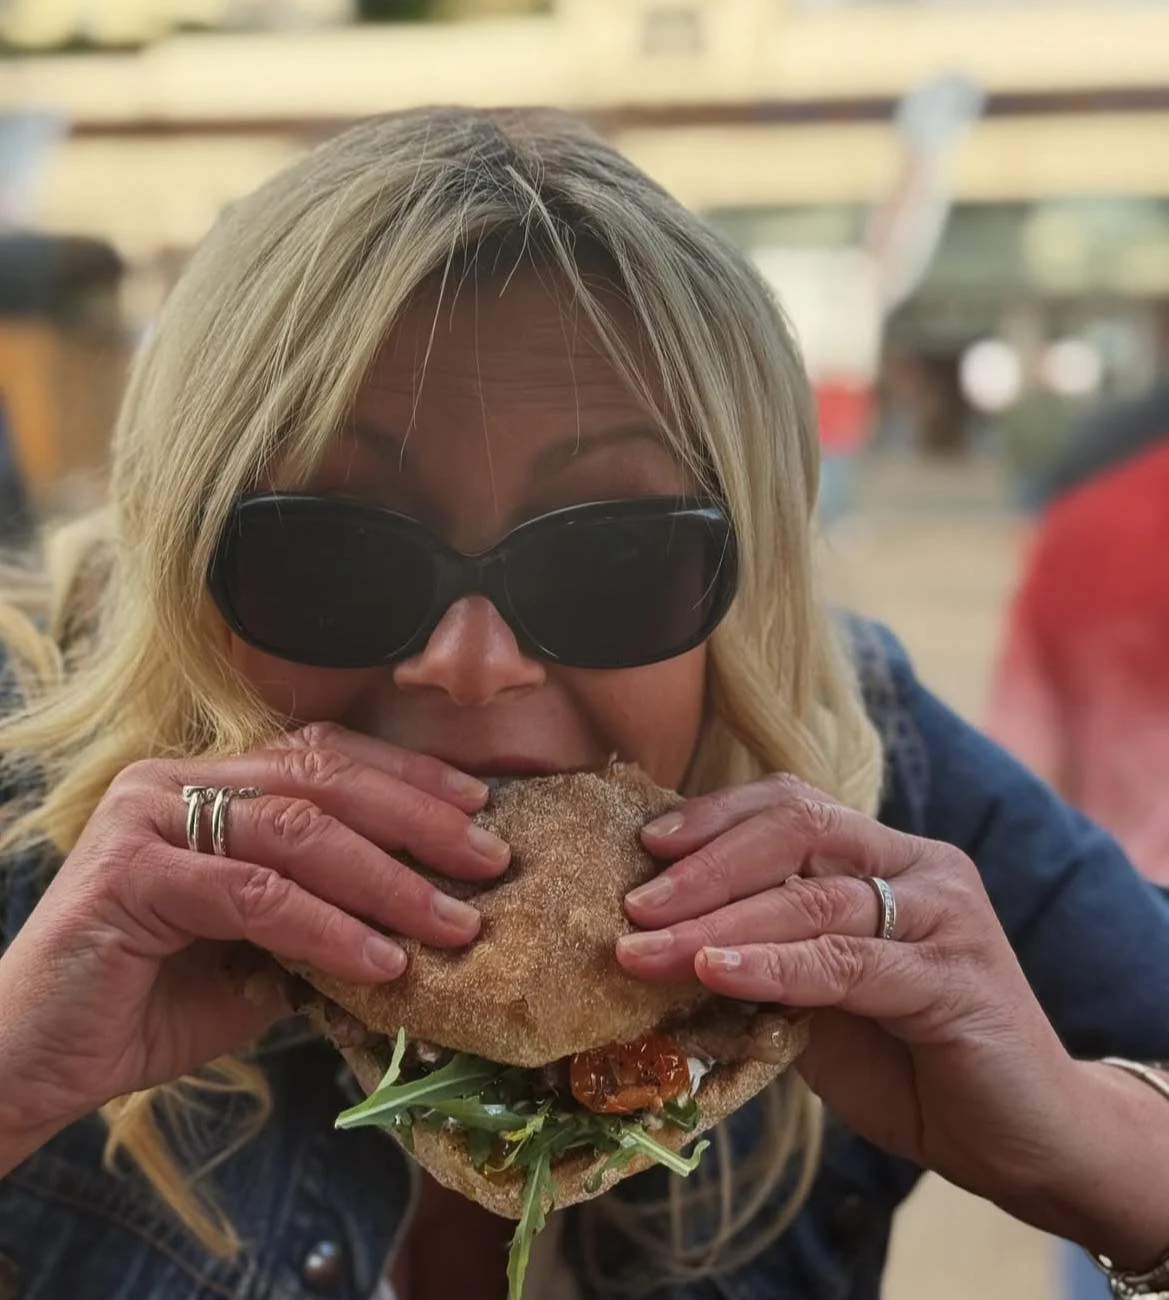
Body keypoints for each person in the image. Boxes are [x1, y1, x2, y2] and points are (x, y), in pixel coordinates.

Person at [0, 107, 1167, 1300]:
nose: (470, 661)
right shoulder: (27, 785)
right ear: (183, 556)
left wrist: (1103, 1152)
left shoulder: (856, 782)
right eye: (330, 555)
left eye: (613, 557)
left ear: (746, 580)